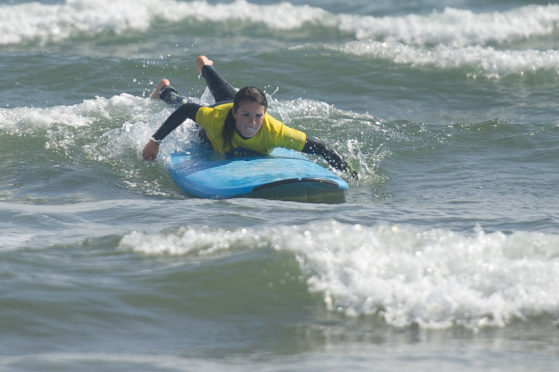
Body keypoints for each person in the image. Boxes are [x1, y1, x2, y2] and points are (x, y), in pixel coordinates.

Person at [142, 55, 358, 179]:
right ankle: (165, 90)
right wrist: (155, 142)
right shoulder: (215, 119)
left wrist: (349, 173)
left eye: (258, 116)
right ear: (235, 114)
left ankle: (205, 66)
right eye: (246, 116)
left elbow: (321, 148)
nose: (252, 123)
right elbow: (187, 110)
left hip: (234, 103)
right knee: (183, 106)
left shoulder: (274, 131)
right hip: (218, 119)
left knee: (232, 96)